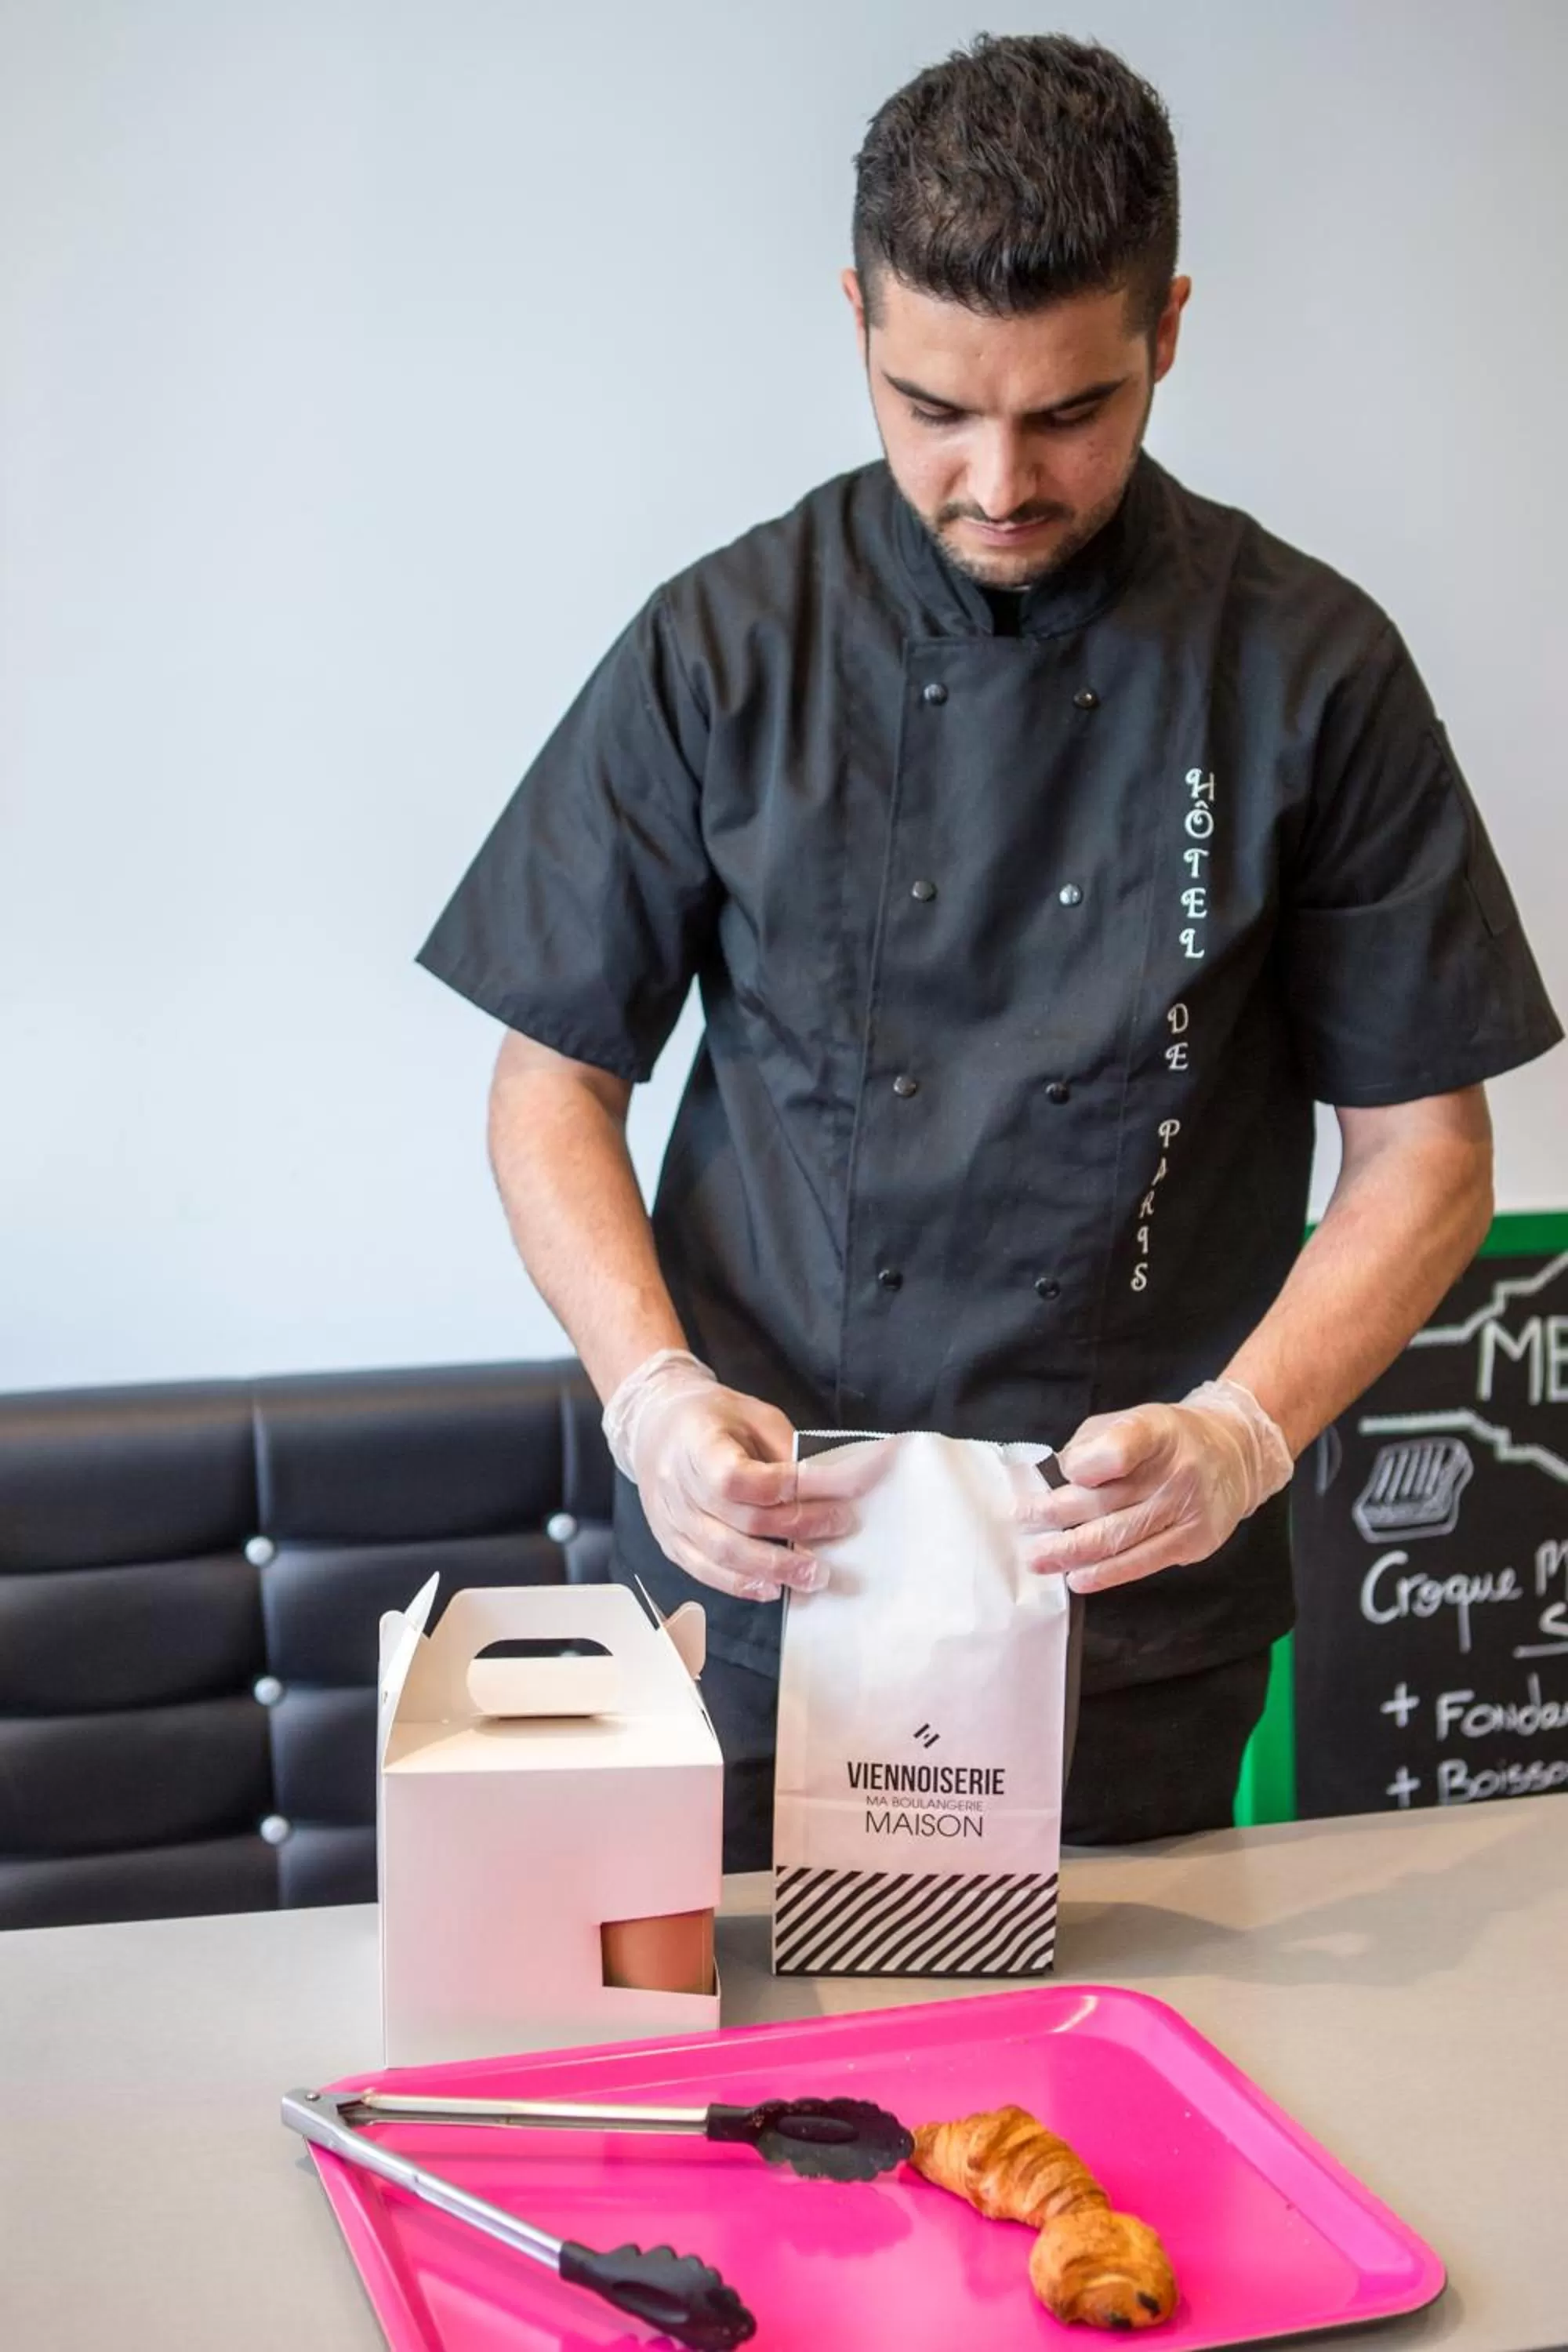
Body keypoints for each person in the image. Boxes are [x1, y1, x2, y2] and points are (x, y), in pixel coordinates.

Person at [418, 34, 1560, 1866]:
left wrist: (1243, 1435)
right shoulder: (722, 647)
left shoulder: (1311, 672)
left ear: (1166, 327)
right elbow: (551, 1079)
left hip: (1124, 1618)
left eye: (1071, 411)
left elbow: (1427, 1152)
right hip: (754, 1587)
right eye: (933, 405)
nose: (1000, 477)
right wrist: (652, 1398)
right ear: (856, 316)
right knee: (747, 2105)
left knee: (1093, 2110)